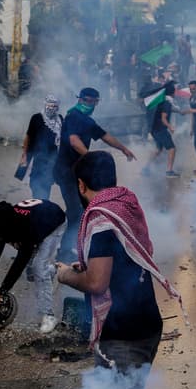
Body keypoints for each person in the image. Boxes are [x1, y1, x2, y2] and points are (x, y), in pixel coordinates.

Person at [56, 151, 185, 389]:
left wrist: (66, 275)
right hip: (147, 322)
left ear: (81, 185)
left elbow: (98, 282)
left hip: (122, 333)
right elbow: (121, 258)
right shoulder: (125, 203)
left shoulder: (99, 219)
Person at [0, 199, 67, 333]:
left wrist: (1, 292)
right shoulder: (1, 224)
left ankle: (48, 315)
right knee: (31, 274)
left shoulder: (27, 228)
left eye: (0, 231)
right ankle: (54, 271)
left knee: (38, 267)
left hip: (54, 223)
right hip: (37, 220)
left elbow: (19, 263)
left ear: (9, 227)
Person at [54, 88, 136, 261]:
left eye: (93, 102)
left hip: (77, 172)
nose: (89, 104)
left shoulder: (88, 121)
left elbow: (105, 136)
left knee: (83, 209)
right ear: (80, 100)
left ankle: (81, 244)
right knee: (76, 211)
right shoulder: (73, 116)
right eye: (86, 100)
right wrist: (91, 158)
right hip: (66, 172)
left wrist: (123, 149)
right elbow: (74, 141)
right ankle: (64, 250)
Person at [21, 95, 63, 200]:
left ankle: (43, 202)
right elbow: (28, 137)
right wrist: (24, 155)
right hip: (37, 157)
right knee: (35, 182)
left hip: (52, 158)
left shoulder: (60, 119)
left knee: (47, 183)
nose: (51, 108)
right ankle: (38, 201)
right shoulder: (36, 118)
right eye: (49, 105)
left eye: (54, 106)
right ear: (45, 105)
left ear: (58, 107)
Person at [147, 80, 179, 177]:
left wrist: (182, 111)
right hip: (160, 129)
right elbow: (163, 118)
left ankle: (146, 168)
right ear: (172, 93)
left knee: (159, 150)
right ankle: (169, 171)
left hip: (154, 129)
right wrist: (170, 127)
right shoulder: (167, 103)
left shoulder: (162, 101)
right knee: (172, 149)